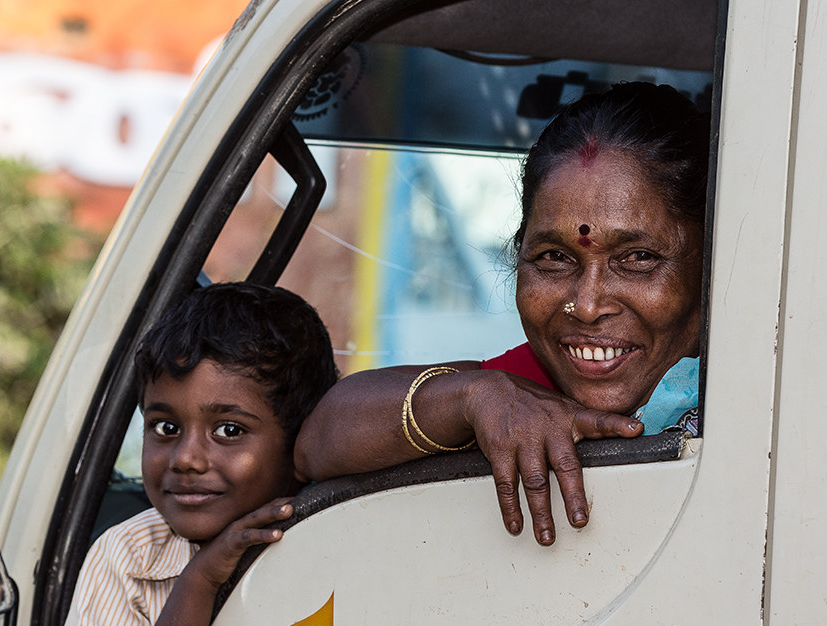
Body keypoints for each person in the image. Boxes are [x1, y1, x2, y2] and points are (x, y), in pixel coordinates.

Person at [295, 82, 708, 547]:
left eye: (637, 258)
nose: (587, 306)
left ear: (710, 265)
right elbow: (318, 443)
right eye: (554, 258)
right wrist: (472, 398)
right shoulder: (521, 395)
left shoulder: (769, 402)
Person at [44, 281, 338, 626]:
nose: (186, 459)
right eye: (165, 427)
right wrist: (199, 579)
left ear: (302, 440)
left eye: (229, 431)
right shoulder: (128, 556)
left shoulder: (337, 531)